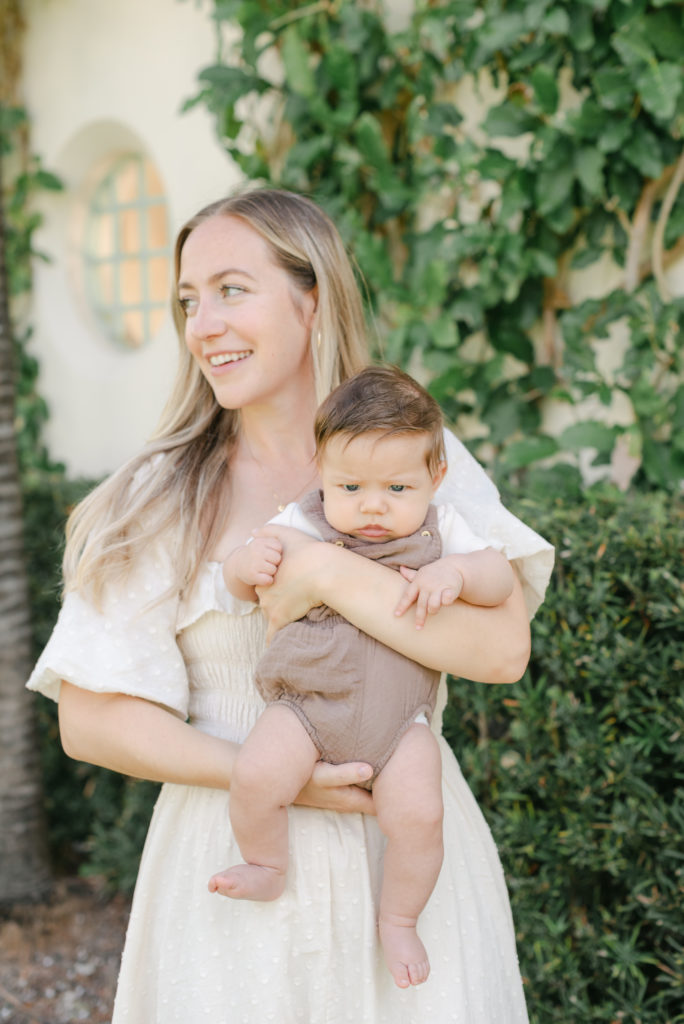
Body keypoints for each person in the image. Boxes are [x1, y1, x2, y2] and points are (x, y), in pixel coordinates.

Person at [27, 187, 554, 1024]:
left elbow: (502, 652)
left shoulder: (415, 454)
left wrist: (330, 577)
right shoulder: (158, 493)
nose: (202, 324)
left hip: (406, 853)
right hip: (234, 861)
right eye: (189, 301)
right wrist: (271, 778)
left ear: (312, 300)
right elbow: (89, 720)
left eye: (232, 289)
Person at [211, 364, 516, 989]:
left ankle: (399, 917)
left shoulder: (444, 533)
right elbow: (235, 587)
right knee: (256, 773)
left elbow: (501, 575)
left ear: (436, 477)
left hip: (399, 724)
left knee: (420, 815)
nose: (372, 506)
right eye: (350, 486)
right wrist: (247, 562)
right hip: (305, 706)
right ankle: (267, 862)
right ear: (320, 471)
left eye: (397, 490)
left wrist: (455, 576)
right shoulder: (303, 522)